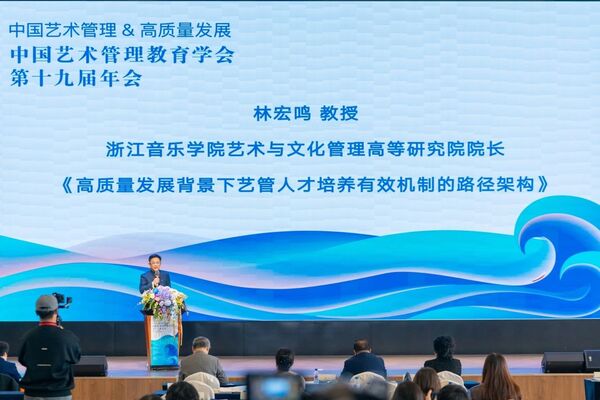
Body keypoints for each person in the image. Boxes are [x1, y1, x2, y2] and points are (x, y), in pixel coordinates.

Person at [19, 294, 81, 400]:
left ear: (36, 312)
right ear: (56, 311)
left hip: (32, 394)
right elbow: (76, 358)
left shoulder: (27, 337)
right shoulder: (68, 337)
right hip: (60, 393)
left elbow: (22, 360)